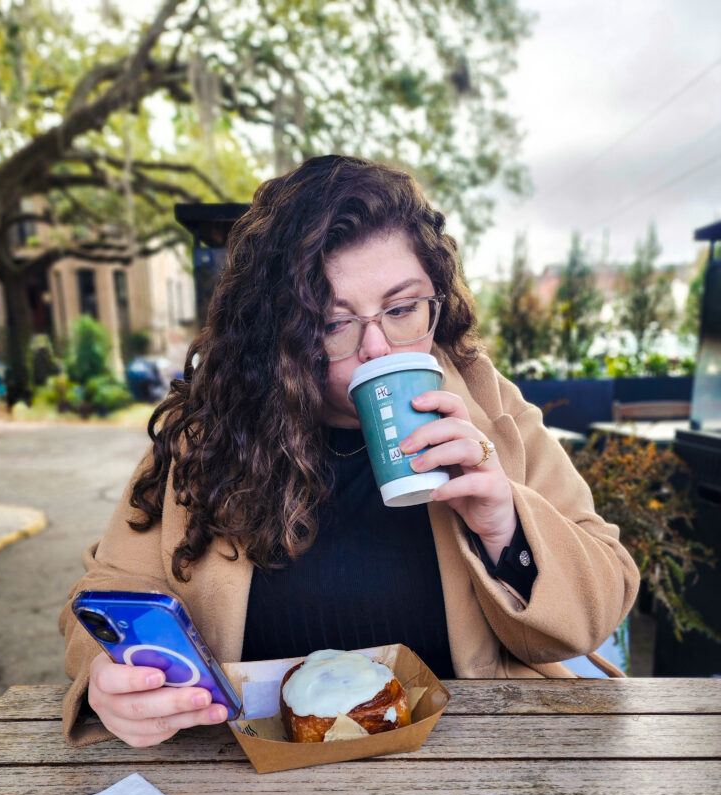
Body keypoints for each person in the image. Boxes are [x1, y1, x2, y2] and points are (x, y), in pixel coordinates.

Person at [60, 154, 640, 747]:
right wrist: (110, 678)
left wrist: (505, 524)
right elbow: (103, 598)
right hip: (249, 776)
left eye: (402, 308)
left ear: (436, 299)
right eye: (332, 322)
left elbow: (605, 596)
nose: (379, 350)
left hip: (471, 764)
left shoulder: (488, 404)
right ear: (275, 335)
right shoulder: (206, 433)